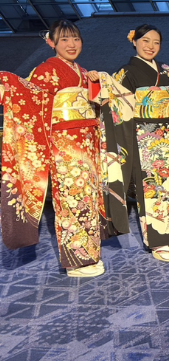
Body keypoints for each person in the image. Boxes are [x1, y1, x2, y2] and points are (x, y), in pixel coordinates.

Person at [0, 20, 106, 277]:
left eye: (76, 39)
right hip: (64, 146)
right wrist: (7, 82)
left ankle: (90, 254)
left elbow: (97, 104)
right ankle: (77, 261)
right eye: (64, 40)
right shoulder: (46, 70)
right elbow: (30, 96)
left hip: (87, 143)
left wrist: (95, 84)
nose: (71, 44)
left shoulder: (82, 71)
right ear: (51, 43)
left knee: (88, 198)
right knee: (71, 198)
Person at [98, 25, 169, 262]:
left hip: (167, 136)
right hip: (144, 139)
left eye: (156, 42)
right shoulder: (125, 73)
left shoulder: (166, 70)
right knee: (151, 189)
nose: (151, 46)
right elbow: (117, 108)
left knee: (168, 188)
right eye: (145, 41)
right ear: (134, 42)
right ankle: (158, 241)